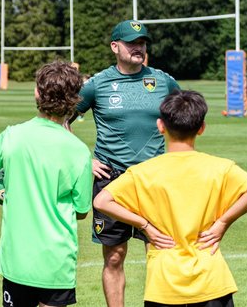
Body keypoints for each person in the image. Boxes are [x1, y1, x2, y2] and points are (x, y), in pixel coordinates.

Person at [94, 89, 247, 306]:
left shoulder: (142, 172)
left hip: (164, 284)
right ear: (201, 128)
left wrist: (145, 226)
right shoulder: (220, 167)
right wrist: (222, 223)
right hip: (211, 279)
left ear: (160, 126)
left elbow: (102, 201)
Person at [69, 20, 180, 306]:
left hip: (154, 180)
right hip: (111, 181)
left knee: (159, 250)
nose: (139, 48)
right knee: (114, 256)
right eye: (132, 43)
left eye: (142, 43)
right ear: (115, 47)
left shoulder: (163, 81)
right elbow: (60, 122)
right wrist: (85, 160)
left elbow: (186, 117)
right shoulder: (97, 84)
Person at [0, 60, 92, 307]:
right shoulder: (80, 151)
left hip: (17, 260)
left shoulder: (13, 135)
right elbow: (81, 210)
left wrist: (0, 191)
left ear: (37, 92)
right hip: (57, 263)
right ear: (75, 99)